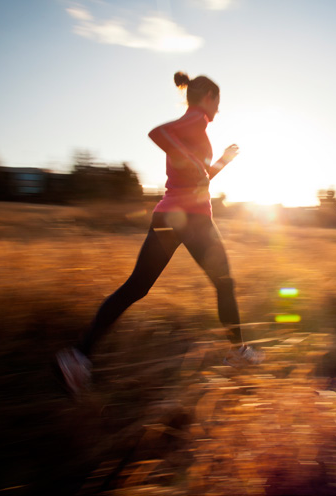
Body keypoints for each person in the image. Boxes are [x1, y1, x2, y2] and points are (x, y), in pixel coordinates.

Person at [56, 71, 264, 395]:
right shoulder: (194, 120)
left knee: (135, 288)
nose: (219, 109)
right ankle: (238, 353)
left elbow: (200, 177)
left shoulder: (193, 128)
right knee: (224, 283)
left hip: (170, 216)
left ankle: (78, 356)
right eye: (218, 101)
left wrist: (221, 160)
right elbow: (157, 133)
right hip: (192, 219)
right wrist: (192, 162)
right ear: (208, 97)